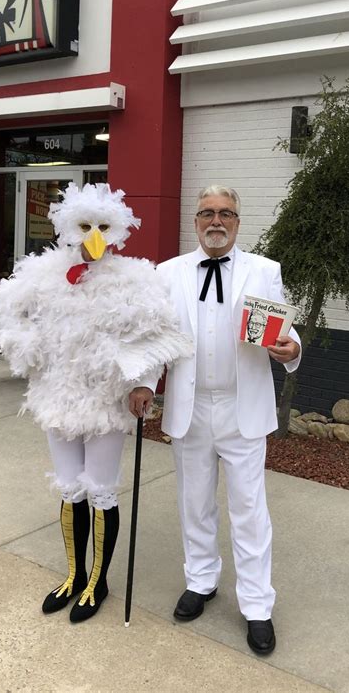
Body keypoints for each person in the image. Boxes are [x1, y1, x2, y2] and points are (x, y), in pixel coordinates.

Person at [0, 182, 192, 623]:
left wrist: (143, 384)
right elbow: (6, 314)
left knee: (99, 490)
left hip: (106, 402)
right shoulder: (42, 274)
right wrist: (26, 347)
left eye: (101, 226)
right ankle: (74, 575)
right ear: (66, 227)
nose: (92, 234)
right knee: (69, 486)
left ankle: (98, 581)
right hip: (58, 397)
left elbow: (155, 335)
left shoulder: (136, 278)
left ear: (116, 230)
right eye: (84, 225)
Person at [129, 185, 301, 655]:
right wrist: (145, 382)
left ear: (238, 222)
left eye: (226, 213)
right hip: (191, 408)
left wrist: (292, 349)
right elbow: (156, 336)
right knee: (194, 502)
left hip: (242, 409)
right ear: (196, 221)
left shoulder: (265, 270)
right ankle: (201, 580)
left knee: (249, 510)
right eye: (207, 213)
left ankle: (257, 605)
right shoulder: (167, 273)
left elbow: (286, 331)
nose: (216, 221)